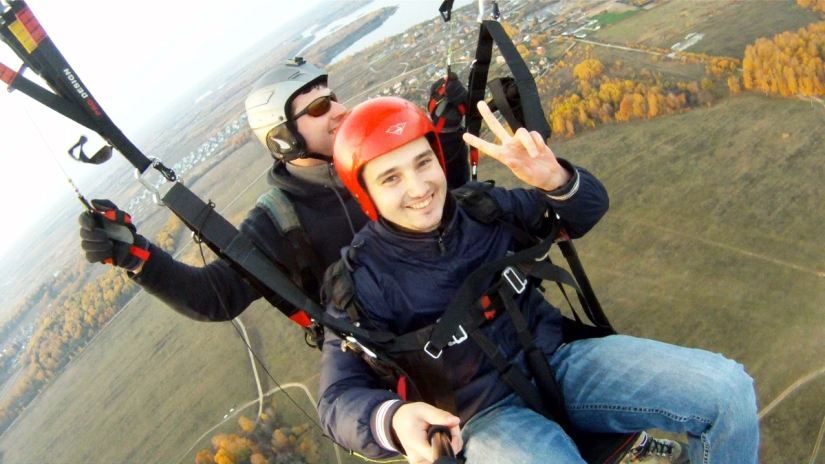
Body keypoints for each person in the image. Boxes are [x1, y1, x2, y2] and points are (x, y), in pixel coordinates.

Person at [317, 96, 760, 464]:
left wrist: (556, 181)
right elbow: (337, 398)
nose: (418, 188)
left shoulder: (483, 209)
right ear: (366, 194)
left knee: (728, 392)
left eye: (423, 162)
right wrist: (392, 419)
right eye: (391, 177)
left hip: (560, 361)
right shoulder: (360, 281)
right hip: (482, 416)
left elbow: (582, 215)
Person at [77, 57, 471, 325]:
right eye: (318, 109)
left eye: (331, 99)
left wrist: (448, 129)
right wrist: (138, 258)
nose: (339, 111)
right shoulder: (280, 220)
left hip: (471, 305)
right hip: (415, 355)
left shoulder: (375, 159)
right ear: (283, 139)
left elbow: (450, 196)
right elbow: (217, 296)